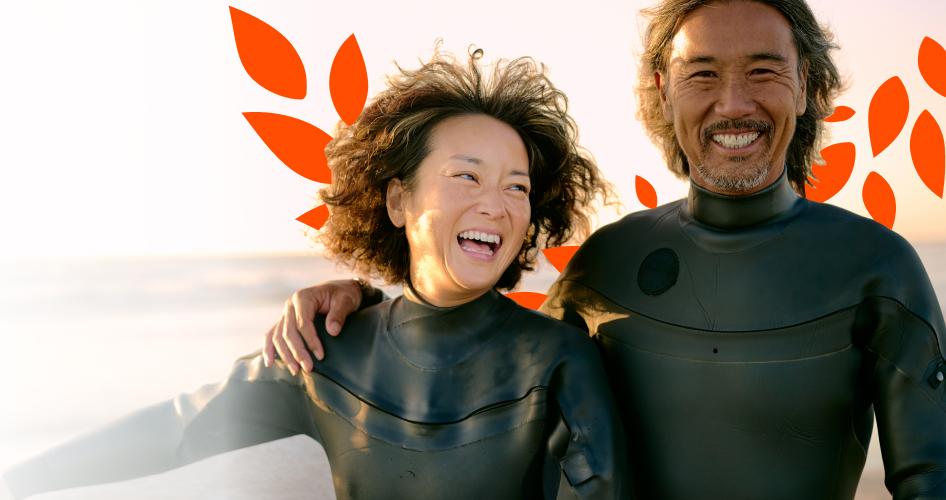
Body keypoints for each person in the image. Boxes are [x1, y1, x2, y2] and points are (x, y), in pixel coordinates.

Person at [263, 1, 946, 498]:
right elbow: (476, 348)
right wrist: (365, 306)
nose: (733, 102)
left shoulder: (876, 269)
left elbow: (931, 477)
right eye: (702, 74)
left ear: (806, 85)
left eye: (765, 71)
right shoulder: (605, 265)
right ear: (663, 91)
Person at [0, 48, 628, 500]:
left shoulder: (557, 358)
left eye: (517, 187)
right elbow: (183, 426)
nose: (496, 202)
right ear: (398, 200)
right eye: (467, 175)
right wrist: (9, 484)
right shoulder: (327, 345)